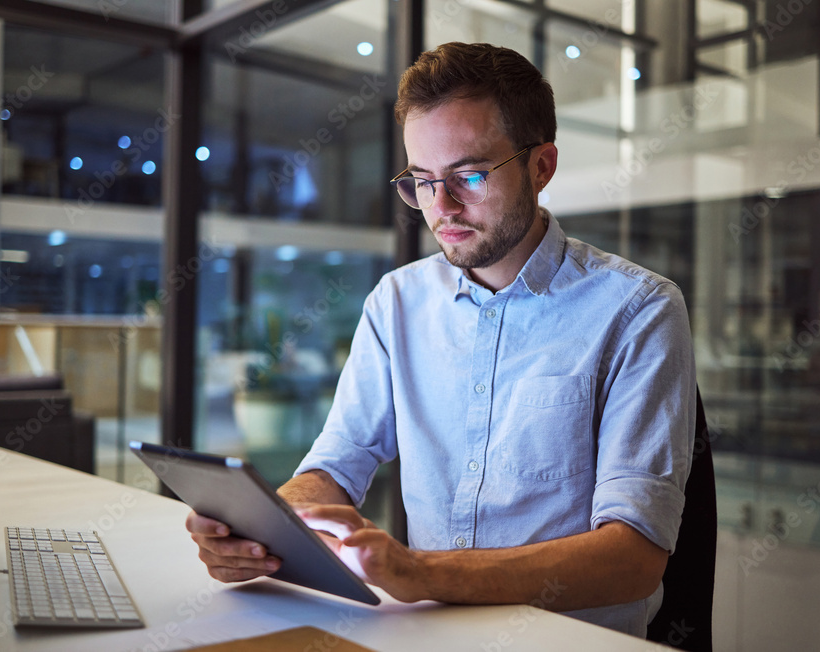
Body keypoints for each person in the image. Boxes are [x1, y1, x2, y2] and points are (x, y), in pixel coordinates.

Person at [187, 41, 696, 637]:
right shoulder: (397, 303)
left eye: (470, 175)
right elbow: (334, 464)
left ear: (541, 166)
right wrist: (263, 530)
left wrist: (420, 571)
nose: (442, 207)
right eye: (422, 181)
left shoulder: (638, 311)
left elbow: (632, 560)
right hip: (426, 634)